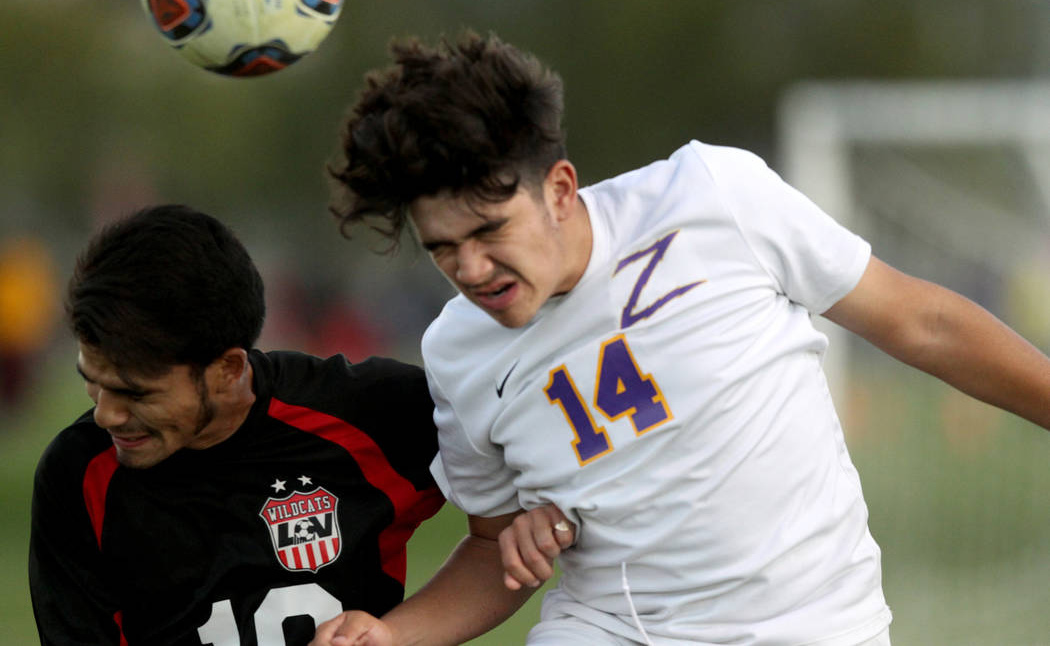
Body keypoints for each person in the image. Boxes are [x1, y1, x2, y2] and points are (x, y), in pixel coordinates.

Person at [319, 32, 1050, 645]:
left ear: (561, 190)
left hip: (817, 626)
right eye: (442, 248)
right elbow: (493, 546)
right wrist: (395, 633)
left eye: (489, 231)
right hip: (610, 629)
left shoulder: (714, 199)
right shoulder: (456, 350)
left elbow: (923, 323)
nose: (470, 269)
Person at [29, 204, 568, 646]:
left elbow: (502, 539)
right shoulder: (78, 474)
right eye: (92, 381)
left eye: (135, 393)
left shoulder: (372, 415)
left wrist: (394, 635)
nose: (106, 413)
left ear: (228, 369)